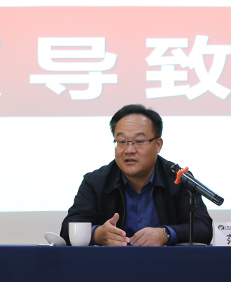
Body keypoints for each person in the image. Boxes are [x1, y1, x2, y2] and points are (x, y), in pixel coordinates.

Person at [60, 104, 213, 246]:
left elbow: (203, 228)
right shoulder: (95, 181)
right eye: (122, 141)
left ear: (158, 145)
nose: (129, 150)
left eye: (139, 141)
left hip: (166, 263)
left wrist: (165, 234)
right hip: (111, 263)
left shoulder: (178, 180)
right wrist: (97, 234)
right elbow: (68, 228)